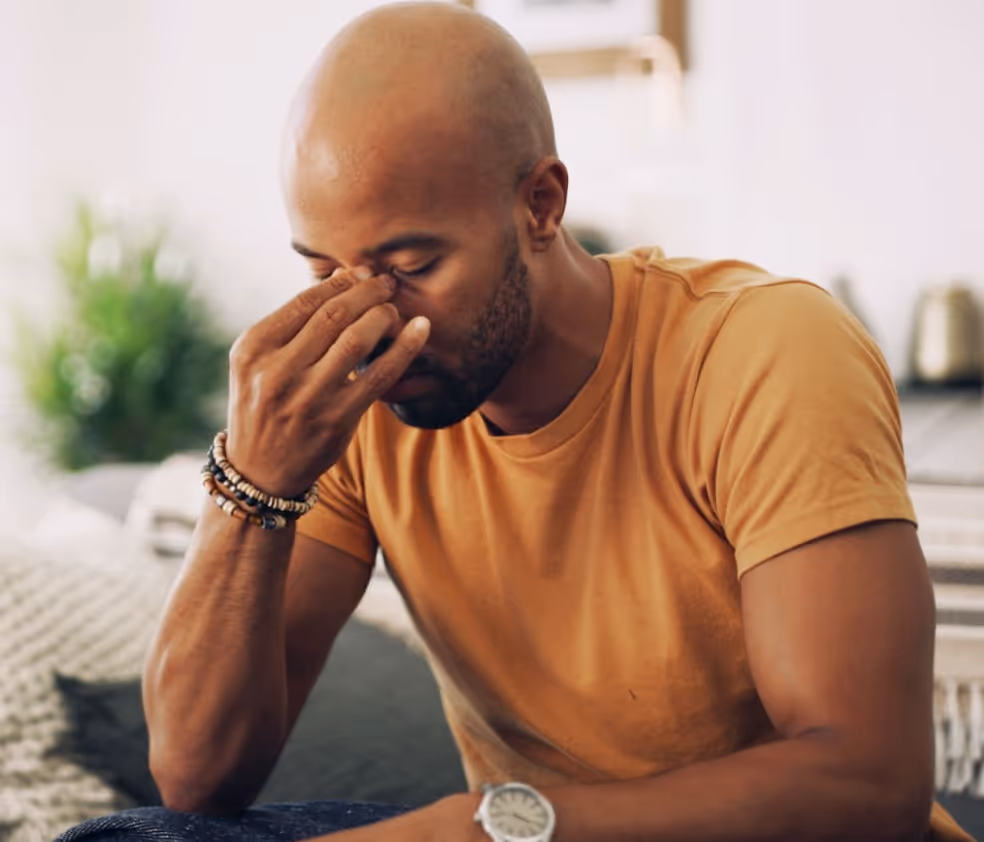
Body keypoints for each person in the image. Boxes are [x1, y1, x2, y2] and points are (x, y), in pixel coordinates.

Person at [58, 3, 973, 841]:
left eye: (411, 262)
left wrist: (487, 827)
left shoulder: (763, 349)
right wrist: (251, 480)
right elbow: (194, 779)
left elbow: (867, 784)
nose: (370, 318)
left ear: (540, 204)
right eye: (322, 270)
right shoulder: (366, 394)